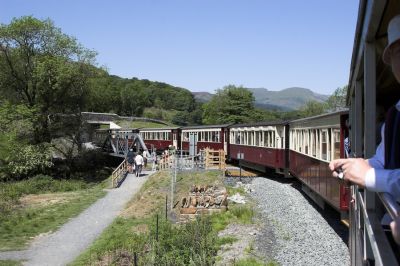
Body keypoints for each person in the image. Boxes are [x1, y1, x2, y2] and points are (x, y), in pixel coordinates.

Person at [329, 15, 400, 243]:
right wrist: (357, 165)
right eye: (398, 54)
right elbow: (384, 160)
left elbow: (378, 174)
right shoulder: (395, 113)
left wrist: (369, 177)